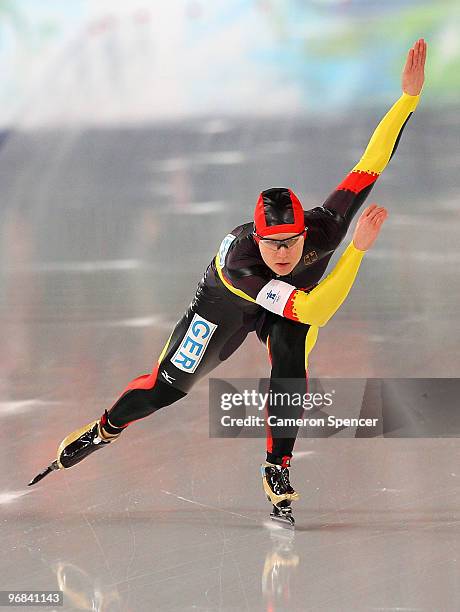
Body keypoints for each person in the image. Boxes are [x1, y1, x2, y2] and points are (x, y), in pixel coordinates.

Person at [29, 38, 427, 525]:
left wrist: (407, 98)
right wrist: (360, 252)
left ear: (308, 232)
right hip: (226, 305)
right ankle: (105, 427)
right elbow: (318, 309)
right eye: (272, 245)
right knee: (166, 389)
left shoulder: (330, 224)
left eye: (291, 244)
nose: (282, 255)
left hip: (291, 304)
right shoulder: (244, 265)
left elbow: (373, 159)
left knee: (290, 366)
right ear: (256, 239)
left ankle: (276, 467)